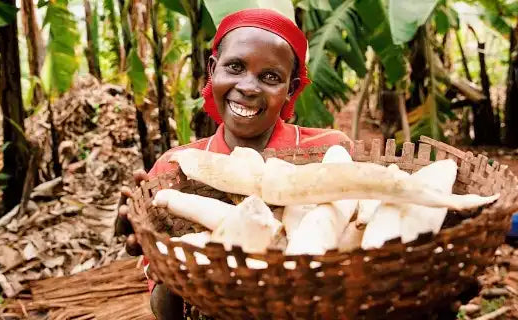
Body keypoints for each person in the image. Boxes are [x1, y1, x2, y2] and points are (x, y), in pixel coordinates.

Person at [116, 8, 353, 319]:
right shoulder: (173, 170)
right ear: (213, 69)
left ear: (291, 89)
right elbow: (166, 313)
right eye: (236, 67)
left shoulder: (329, 152)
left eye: (270, 77)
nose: (249, 87)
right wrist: (165, 263)